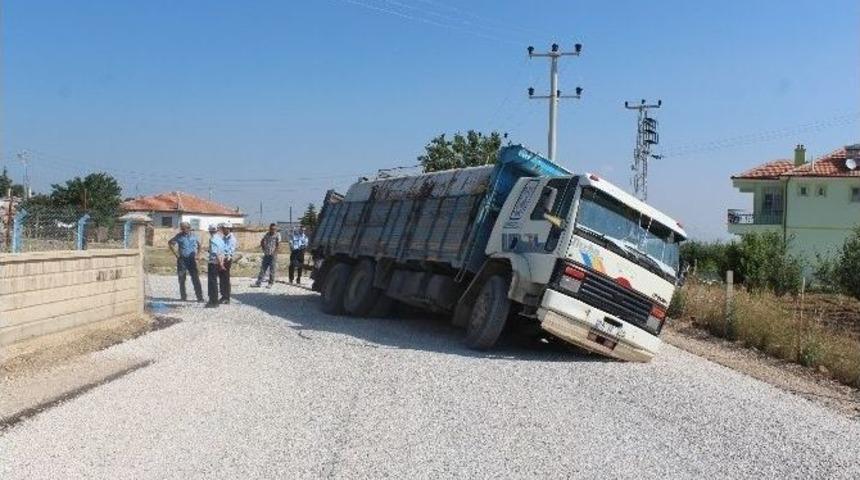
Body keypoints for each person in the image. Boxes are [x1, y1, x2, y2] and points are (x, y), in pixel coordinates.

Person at [167, 221, 203, 302]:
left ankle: (199, 297)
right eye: (182, 228)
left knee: (195, 278)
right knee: (182, 279)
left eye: (184, 228)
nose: (183, 230)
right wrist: (176, 254)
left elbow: (200, 245)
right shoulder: (179, 236)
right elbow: (170, 243)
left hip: (191, 260)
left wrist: (198, 255)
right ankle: (183, 297)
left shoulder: (194, 236)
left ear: (189, 228)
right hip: (182, 260)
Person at [253, 223, 280, 288]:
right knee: (263, 269)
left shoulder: (277, 235)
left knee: (272, 270)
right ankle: (258, 282)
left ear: (275, 229)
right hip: (266, 254)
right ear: (269, 229)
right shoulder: (267, 234)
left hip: (273, 255)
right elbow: (262, 241)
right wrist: (264, 249)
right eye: (271, 229)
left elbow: (278, 244)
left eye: (274, 229)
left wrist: (275, 252)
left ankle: (270, 283)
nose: (272, 230)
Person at [205, 225, 226, 308]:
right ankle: (214, 300)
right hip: (219, 261)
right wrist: (221, 262)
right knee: (214, 282)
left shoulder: (212, 239)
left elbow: (215, 252)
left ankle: (213, 302)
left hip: (213, 262)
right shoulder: (220, 239)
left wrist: (221, 264)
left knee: (212, 282)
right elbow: (222, 252)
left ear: (210, 231)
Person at [219, 223, 236, 304]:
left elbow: (227, 250)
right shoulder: (224, 238)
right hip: (222, 258)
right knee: (221, 278)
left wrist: (219, 250)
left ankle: (227, 297)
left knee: (225, 278)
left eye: (224, 228)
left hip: (227, 259)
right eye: (223, 228)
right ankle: (223, 296)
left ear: (229, 229)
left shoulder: (231, 239)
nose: (223, 230)